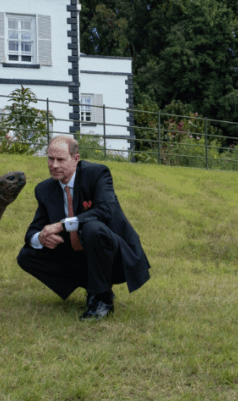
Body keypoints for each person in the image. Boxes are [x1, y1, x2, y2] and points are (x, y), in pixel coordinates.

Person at [17, 135, 150, 319]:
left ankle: (103, 299)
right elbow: (31, 233)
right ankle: (93, 288)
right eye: (50, 158)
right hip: (80, 255)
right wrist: (40, 237)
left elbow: (104, 211)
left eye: (60, 159)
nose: (53, 165)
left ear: (76, 159)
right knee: (26, 255)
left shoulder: (97, 174)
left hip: (115, 255)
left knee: (92, 228)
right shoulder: (44, 189)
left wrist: (62, 224)